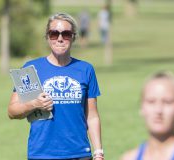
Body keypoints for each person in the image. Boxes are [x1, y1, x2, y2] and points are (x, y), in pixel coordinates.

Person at [8, 13, 104, 160]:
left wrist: (98, 152)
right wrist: (34, 104)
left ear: (73, 37)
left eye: (66, 34)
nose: (60, 38)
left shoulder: (85, 69)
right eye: (54, 34)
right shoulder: (31, 69)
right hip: (42, 154)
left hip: (79, 153)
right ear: (47, 37)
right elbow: (12, 111)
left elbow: (92, 116)